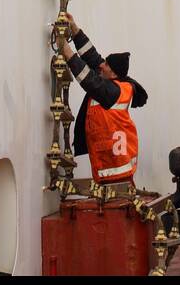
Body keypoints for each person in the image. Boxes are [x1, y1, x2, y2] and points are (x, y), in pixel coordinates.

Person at [62, 15, 148, 185]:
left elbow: (89, 80)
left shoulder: (113, 91)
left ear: (114, 73)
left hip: (115, 171)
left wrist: (66, 51)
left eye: (107, 65)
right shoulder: (116, 82)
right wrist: (74, 29)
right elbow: (94, 58)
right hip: (112, 167)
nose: (102, 66)